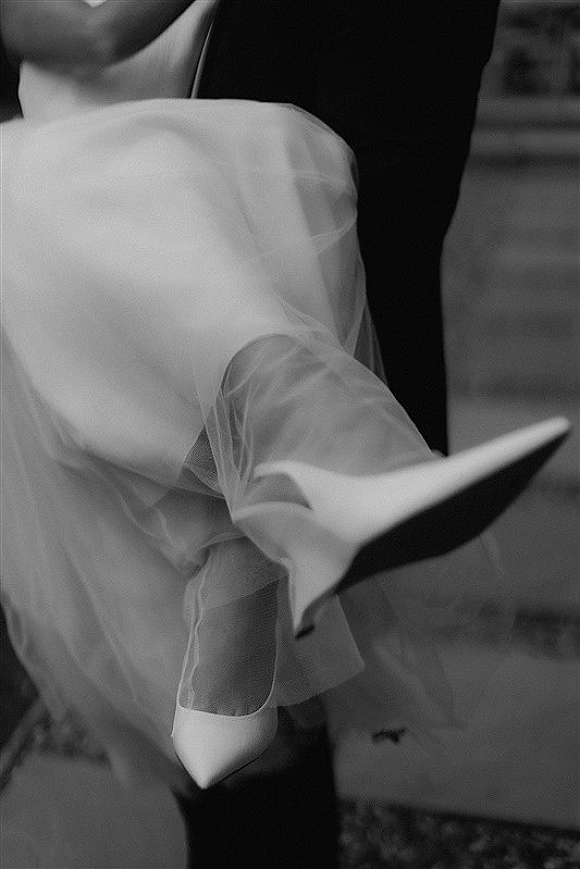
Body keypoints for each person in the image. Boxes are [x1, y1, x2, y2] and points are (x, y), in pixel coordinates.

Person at [0, 2, 569, 867]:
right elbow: (89, 29)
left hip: (260, 243)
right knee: (227, 777)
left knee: (272, 769)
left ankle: (277, 493)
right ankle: (289, 485)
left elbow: (396, 190)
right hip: (84, 274)